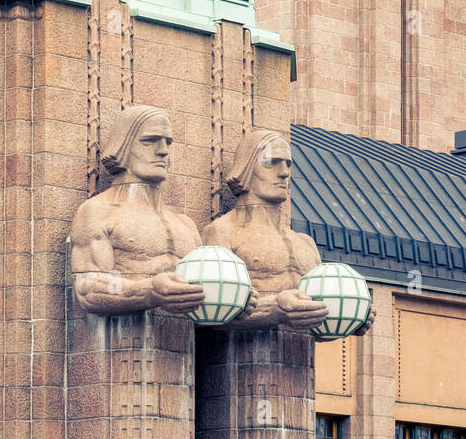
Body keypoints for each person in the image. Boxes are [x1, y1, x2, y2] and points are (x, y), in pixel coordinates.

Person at [70, 105, 205, 316]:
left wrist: (238, 300)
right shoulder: (97, 212)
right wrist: (149, 291)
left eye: (167, 142)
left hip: (186, 345)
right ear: (123, 146)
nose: (163, 150)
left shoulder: (186, 225)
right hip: (121, 344)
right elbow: (87, 288)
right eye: (150, 141)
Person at [202, 129, 330, 331]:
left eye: (288, 164)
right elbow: (208, 313)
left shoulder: (305, 242)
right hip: (240, 356)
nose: (284, 172)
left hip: (304, 359)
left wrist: (350, 317)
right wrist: (273, 310)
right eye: (271, 162)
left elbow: (319, 324)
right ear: (246, 167)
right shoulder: (223, 231)